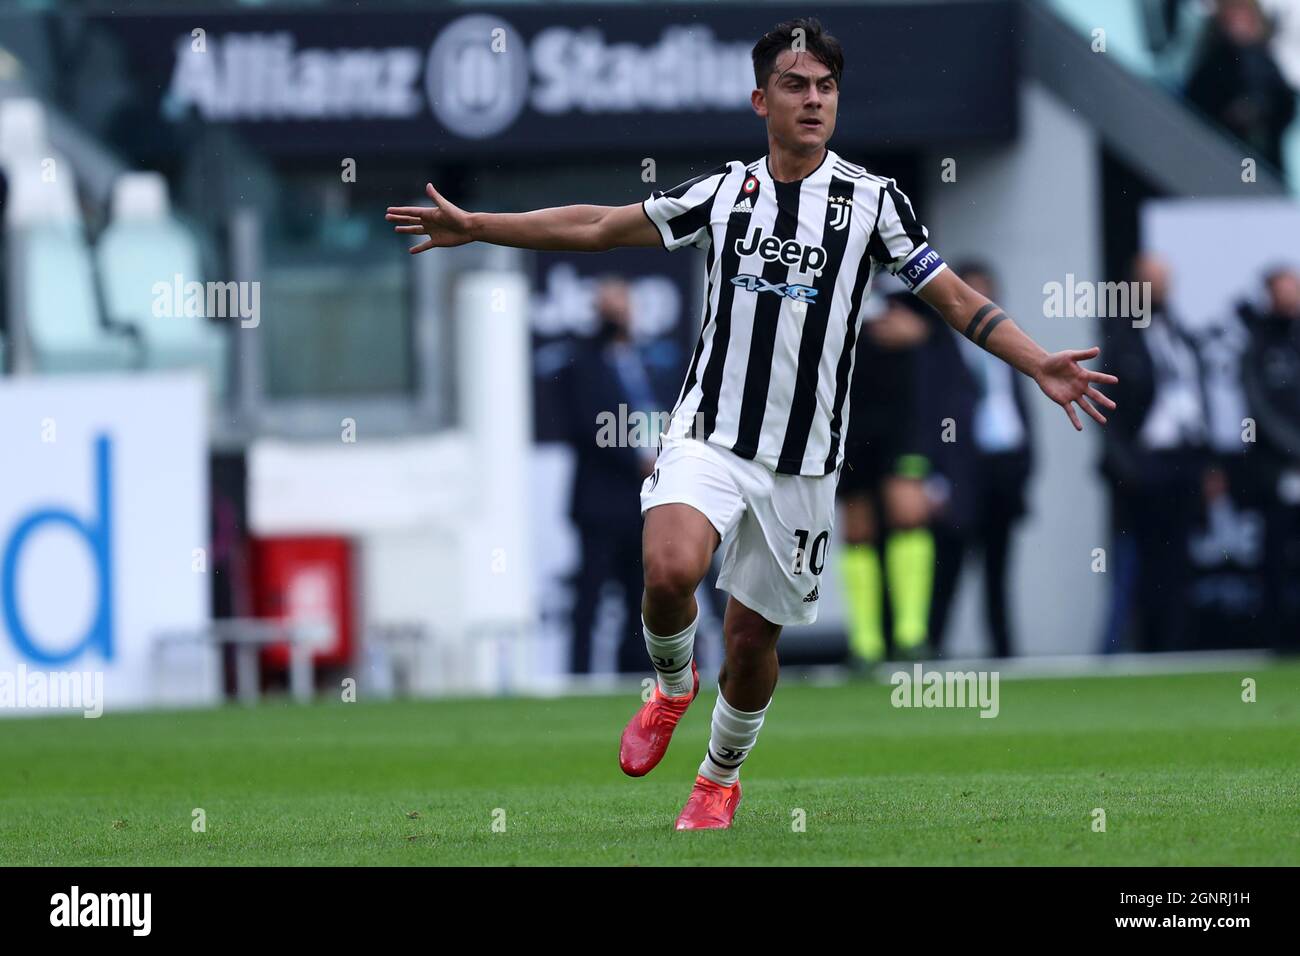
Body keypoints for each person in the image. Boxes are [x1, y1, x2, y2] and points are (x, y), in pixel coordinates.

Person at [386, 17, 1117, 830]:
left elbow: (953, 298)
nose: (813, 100)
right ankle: (669, 686)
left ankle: (718, 775)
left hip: (803, 464)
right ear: (760, 98)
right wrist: (479, 226)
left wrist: (1036, 360)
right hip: (709, 432)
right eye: (796, 85)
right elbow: (600, 225)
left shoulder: (873, 203)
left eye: (826, 87)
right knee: (668, 571)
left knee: (749, 644)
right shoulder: (724, 193)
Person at [926, 263, 1035, 658]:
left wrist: (1025, 463)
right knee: (948, 570)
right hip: (959, 473)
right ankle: (931, 650)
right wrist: (933, 476)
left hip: (1003, 467)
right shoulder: (937, 348)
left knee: (998, 571)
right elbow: (931, 415)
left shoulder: (1010, 343)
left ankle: (1005, 654)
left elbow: (1019, 404)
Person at [565, 278, 661, 675]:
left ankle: (634, 672)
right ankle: (580, 675)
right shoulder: (581, 364)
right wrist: (636, 458)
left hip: (645, 498)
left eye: (622, 307)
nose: (617, 316)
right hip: (602, 500)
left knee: (640, 594)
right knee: (590, 593)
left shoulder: (648, 360)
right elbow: (589, 428)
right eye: (609, 308)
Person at [837, 291, 934, 666]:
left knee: (908, 515)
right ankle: (866, 642)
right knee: (858, 528)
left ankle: (911, 635)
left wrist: (922, 328)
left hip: (901, 419)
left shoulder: (901, 263)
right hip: (849, 418)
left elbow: (938, 314)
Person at [1241, 266, 1300, 650]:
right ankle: (1276, 638)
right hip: (1276, 468)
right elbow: (1258, 407)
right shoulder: (1259, 345)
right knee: (1276, 554)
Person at [1186, 0, 1297, 172]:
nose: (1237, 25)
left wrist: (1257, 109)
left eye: (1243, 17)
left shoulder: (1266, 62)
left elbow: (1283, 102)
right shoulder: (1214, 61)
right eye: (1232, 17)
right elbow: (1196, 98)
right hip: (1219, 150)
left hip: (1259, 155)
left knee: (1251, 182)